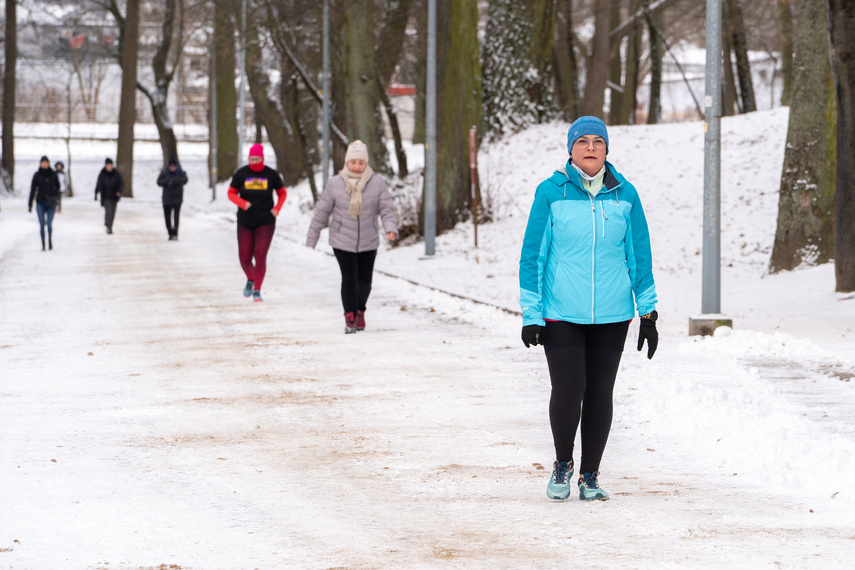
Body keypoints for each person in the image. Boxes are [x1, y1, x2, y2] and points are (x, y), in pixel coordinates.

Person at [518, 116, 658, 502]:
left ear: (607, 149)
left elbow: (640, 257)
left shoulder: (625, 194)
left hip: (613, 314)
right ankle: (563, 464)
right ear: (571, 150)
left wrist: (648, 314)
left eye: (598, 141)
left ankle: (590, 475)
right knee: (569, 386)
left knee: (600, 391)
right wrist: (531, 314)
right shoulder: (551, 193)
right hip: (562, 311)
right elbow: (532, 257)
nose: (591, 147)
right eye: (583, 142)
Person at [306, 140, 398, 333]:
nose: (357, 166)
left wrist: (390, 228)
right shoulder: (334, 184)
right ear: (347, 163)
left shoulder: (377, 183)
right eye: (353, 162)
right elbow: (322, 212)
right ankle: (349, 317)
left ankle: (360, 310)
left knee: (365, 282)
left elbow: (387, 209)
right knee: (349, 278)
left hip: (368, 239)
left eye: (361, 163)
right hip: (341, 239)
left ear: (366, 164)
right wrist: (312, 237)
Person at [227, 144, 287, 302]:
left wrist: (277, 208)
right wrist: (241, 203)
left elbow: (282, 193)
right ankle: (251, 278)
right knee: (245, 258)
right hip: (245, 221)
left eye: (257, 159)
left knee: (260, 254)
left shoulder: (271, 174)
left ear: (262, 159)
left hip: (266, 221)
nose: (254, 162)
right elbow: (231, 192)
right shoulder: (241, 173)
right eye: (251, 159)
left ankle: (257, 290)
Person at [28, 156, 61, 251]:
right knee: (42, 224)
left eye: (46, 162)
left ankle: (50, 240)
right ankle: (43, 243)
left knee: (49, 224)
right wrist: (30, 204)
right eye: (43, 163)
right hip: (40, 202)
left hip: (51, 203)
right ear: (40, 164)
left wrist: (57, 201)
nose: (44, 164)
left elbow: (58, 188)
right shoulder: (37, 175)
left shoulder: (53, 174)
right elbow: (33, 190)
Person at [157, 157, 188, 241]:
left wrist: (176, 181)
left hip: (177, 198)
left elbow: (185, 180)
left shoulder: (181, 173)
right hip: (167, 199)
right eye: (171, 166)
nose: (173, 168)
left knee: (176, 216)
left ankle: (175, 232)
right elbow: (159, 182)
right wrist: (168, 181)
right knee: (167, 217)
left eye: (174, 166)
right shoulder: (164, 173)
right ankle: (170, 231)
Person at [94, 158, 124, 234]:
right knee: (108, 211)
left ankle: (110, 225)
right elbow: (99, 184)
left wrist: (119, 191)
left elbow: (121, 183)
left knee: (113, 212)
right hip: (106, 196)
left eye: (110, 165)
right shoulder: (102, 173)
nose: (109, 166)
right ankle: (108, 226)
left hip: (114, 196)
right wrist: (96, 193)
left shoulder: (116, 173)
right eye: (108, 165)